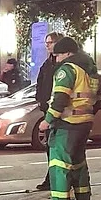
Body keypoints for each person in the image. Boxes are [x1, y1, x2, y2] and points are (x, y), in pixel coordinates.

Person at [37, 37, 101, 200]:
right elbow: (98, 99)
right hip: (84, 123)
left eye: (57, 55)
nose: (56, 59)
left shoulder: (68, 69)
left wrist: (47, 120)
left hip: (67, 123)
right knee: (79, 165)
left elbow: (60, 99)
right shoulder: (90, 69)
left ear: (67, 53)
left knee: (59, 166)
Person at [35, 31, 64, 191]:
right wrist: (40, 101)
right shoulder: (47, 63)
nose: (47, 46)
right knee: (50, 147)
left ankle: (57, 179)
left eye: (50, 42)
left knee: (58, 149)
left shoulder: (63, 64)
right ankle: (51, 177)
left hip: (60, 113)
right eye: (46, 43)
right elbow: (41, 83)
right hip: (48, 110)